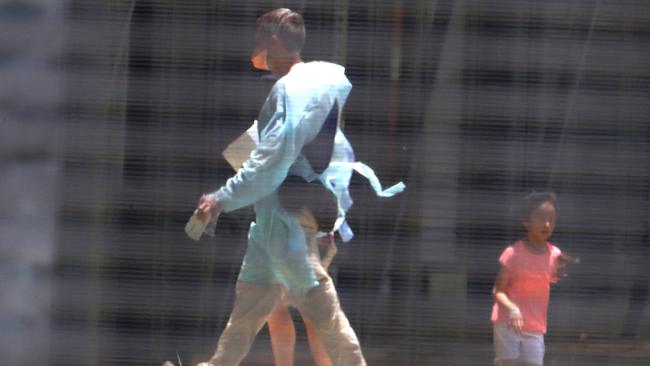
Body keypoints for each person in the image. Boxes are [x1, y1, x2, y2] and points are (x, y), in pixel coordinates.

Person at [189, 8, 405, 366]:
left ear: (273, 41)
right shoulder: (310, 88)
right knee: (247, 313)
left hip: (288, 219)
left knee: (321, 311)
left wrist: (220, 199)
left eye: (260, 43)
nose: (256, 52)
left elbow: (269, 162)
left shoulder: (295, 89)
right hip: (275, 219)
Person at [491, 192, 565, 366]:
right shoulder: (513, 253)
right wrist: (512, 309)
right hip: (508, 322)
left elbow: (551, 278)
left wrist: (560, 272)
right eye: (541, 218)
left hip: (536, 327)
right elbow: (498, 290)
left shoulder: (555, 255)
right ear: (525, 221)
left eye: (551, 219)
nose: (547, 224)